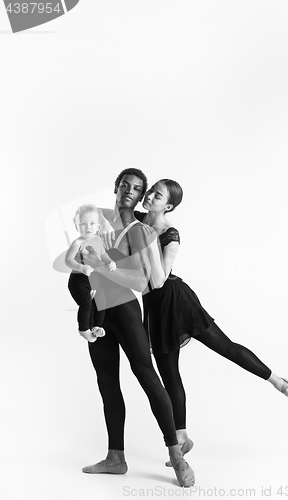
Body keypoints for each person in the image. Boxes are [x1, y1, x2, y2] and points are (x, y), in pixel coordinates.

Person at [101, 178, 288, 465]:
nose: (148, 196)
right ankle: (182, 438)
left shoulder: (170, 235)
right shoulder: (134, 222)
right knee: (169, 373)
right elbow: (116, 229)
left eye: (156, 195)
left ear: (168, 206)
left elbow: (158, 280)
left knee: (226, 347)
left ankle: (277, 381)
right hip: (153, 307)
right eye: (149, 192)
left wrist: (142, 252)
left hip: (176, 300)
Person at [79, 169, 195, 488]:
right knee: (107, 382)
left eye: (137, 188)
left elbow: (141, 281)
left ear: (140, 194)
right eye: (125, 185)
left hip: (124, 310)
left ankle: (176, 456)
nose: (130, 190)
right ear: (116, 188)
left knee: (146, 375)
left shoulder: (142, 231)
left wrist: (102, 267)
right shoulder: (95, 220)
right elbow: (78, 267)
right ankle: (115, 457)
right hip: (97, 311)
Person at [66, 204, 117, 342]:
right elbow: (68, 260)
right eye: (83, 224)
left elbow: (103, 254)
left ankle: (96, 326)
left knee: (102, 301)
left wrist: (109, 261)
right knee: (87, 303)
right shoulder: (77, 243)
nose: (88, 227)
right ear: (77, 226)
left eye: (92, 223)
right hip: (78, 280)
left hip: (94, 280)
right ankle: (84, 329)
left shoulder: (98, 239)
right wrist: (81, 268)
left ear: (98, 226)